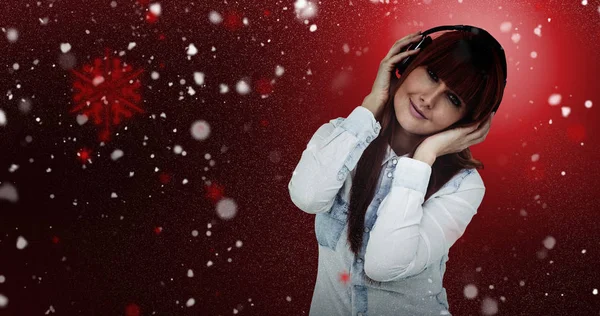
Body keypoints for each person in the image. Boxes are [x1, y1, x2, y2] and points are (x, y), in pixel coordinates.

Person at [288, 26, 505, 316]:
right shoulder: (345, 135)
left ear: (468, 122)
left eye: (453, 99)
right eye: (432, 75)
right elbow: (306, 196)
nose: (429, 99)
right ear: (407, 61)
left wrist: (423, 158)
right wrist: (370, 107)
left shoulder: (463, 186)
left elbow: (383, 265)